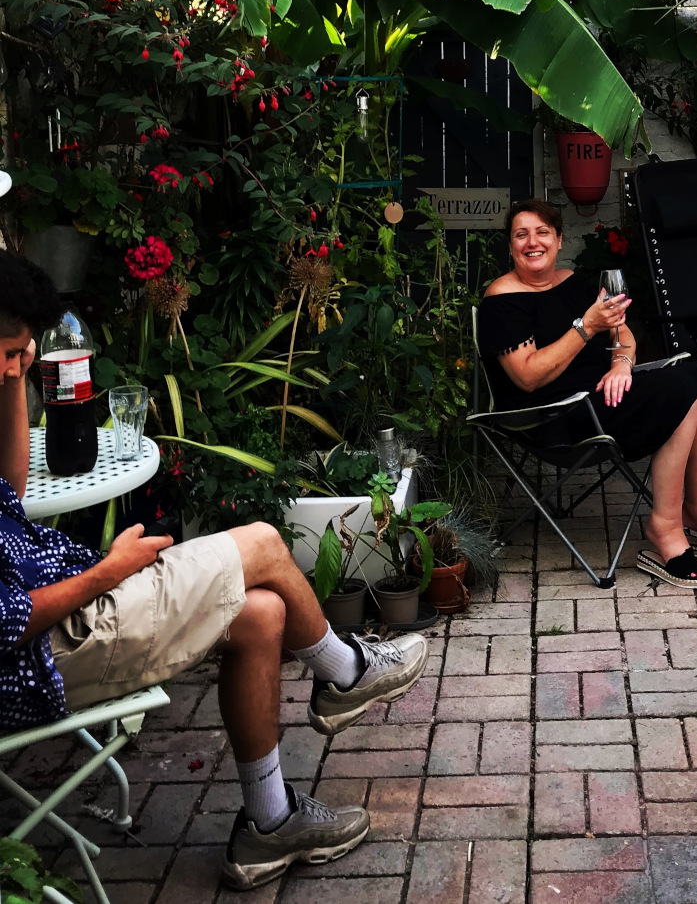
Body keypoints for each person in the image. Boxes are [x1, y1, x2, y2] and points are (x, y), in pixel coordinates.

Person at [0, 250, 428, 891]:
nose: (16, 365)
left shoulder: (4, 374)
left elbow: (8, 490)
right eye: (7, 352)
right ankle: (347, 674)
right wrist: (110, 571)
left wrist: (11, 382)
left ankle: (269, 824)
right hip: (48, 653)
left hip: (67, 620)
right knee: (260, 542)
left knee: (263, 615)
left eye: (22, 354)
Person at [477, 199, 697, 588]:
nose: (532, 242)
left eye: (542, 233)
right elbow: (527, 378)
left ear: (559, 240)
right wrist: (585, 328)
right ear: (510, 247)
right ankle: (665, 528)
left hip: (601, 396)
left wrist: (621, 364)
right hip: (556, 415)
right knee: (678, 390)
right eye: (521, 235)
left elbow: (621, 333)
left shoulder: (571, 282)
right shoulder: (500, 301)